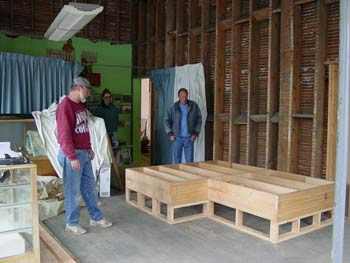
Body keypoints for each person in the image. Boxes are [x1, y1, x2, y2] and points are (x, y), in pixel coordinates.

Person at [56, 76, 112, 235]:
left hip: (83, 153)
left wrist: (88, 148)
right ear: (78, 87)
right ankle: (71, 223)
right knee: (72, 191)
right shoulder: (65, 106)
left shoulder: (80, 105)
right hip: (71, 155)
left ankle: (95, 218)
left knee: (89, 188)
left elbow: (83, 130)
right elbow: (64, 135)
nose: (88, 94)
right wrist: (72, 157)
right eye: (87, 91)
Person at [164, 88, 202, 163]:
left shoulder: (193, 106)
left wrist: (195, 133)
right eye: (182, 97)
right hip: (177, 138)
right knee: (177, 161)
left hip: (189, 138)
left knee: (190, 162)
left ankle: (189, 175)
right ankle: (177, 174)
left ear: (187, 96)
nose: (184, 99)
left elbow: (199, 120)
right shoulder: (174, 107)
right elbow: (166, 120)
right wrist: (170, 134)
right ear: (179, 97)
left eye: (185, 96)